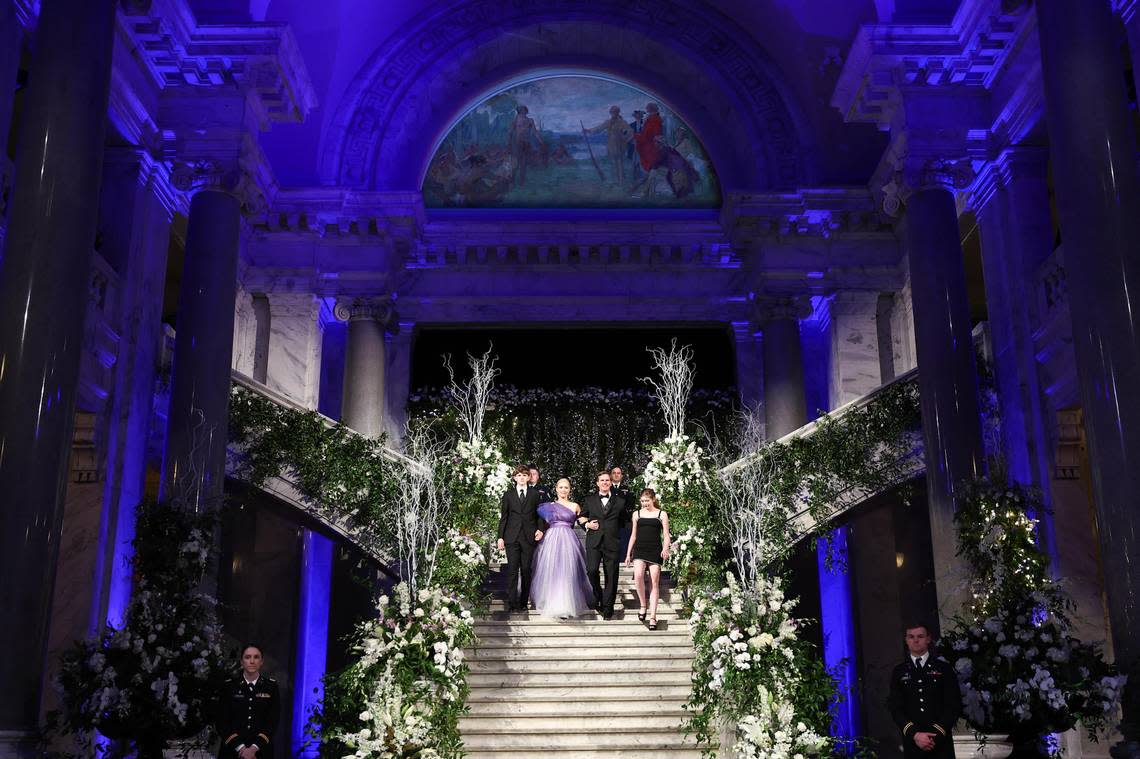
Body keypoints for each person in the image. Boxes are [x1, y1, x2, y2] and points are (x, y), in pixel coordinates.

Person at [887, 622, 961, 757]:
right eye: (911, 637)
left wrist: (936, 735)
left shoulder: (943, 669)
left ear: (928, 639)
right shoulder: (899, 671)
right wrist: (914, 734)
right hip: (913, 742)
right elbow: (895, 708)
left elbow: (953, 705)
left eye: (920, 636)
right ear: (906, 640)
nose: (915, 640)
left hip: (941, 743)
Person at [529, 478, 594, 619]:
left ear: (570, 490)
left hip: (569, 540)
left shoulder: (575, 506)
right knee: (552, 571)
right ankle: (553, 603)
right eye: (561, 487)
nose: (563, 490)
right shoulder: (547, 506)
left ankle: (566, 604)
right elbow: (536, 519)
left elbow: (582, 521)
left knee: (568, 571)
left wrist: (589, 524)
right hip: (552, 539)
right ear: (556, 489)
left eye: (566, 487)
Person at [216, 644, 280, 758]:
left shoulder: (271, 687)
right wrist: (241, 748)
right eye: (247, 657)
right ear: (241, 662)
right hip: (232, 751)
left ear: (261, 662)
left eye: (256, 657)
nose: (252, 661)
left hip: (261, 752)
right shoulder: (229, 686)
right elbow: (222, 722)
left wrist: (254, 748)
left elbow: (272, 722)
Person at [578, 471, 627, 619]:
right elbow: (580, 516)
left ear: (611, 483)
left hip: (612, 542)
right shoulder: (590, 500)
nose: (605, 482)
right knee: (591, 570)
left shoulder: (620, 502)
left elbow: (625, 522)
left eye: (607, 480)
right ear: (597, 483)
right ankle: (598, 595)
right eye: (602, 480)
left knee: (611, 576)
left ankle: (608, 608)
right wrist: (587, 524)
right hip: (594, 541)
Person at [497, 465, 544, 612]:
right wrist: (500, 537)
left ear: (529, 477)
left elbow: (540, 515)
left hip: (528, 537)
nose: (522, 478)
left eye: (525, 475)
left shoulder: (535, 494)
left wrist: (540, 529)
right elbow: (504, 517)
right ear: (514, 478)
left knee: (526, 570)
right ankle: (512, 603)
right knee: (512, 570)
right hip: (511, 537)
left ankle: (523, 602)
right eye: (519, 475)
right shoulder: (508, 495)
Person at [624, 488, 671, 630]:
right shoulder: (636, 514)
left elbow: (667, 535)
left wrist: (665, 548)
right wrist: (628, 554)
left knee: (654, 582)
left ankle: (653, 617)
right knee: (638, 575)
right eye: (642, 501)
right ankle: (643, 605)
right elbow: (633, 535)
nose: (644, 503)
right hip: (640, 549)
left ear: (653, 499)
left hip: (655, 549)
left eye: (647, 501)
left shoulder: (662, 514)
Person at [586, 105, 634, 187]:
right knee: (613, 163)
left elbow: (630, 131)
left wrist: (625, 137)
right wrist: (589, 130)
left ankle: (621, 182)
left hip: (620, 145)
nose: (613, 113)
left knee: (620, 163)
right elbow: (599, 128)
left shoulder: (622, 122)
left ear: (618, 112)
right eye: (612, 112)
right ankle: (615, 181)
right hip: (611, 145)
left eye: (615, 112)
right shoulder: (608, 122)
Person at [506, 104, 544, 187]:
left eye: (523, 110)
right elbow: (510, 132)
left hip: (526, 144)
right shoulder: (515, 120)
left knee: (523, 163)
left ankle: (522, 182)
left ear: (526, 111)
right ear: (518, 111)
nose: (521, 112)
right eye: (520, 111)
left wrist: (541, 141)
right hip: (517, 143)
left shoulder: (530, 120)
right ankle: (511, 181)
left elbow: (535, 132)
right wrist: (508, 143)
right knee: (515, 163)